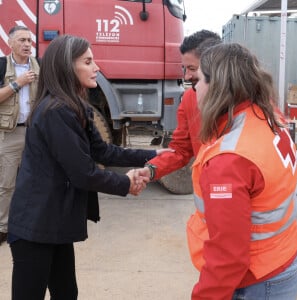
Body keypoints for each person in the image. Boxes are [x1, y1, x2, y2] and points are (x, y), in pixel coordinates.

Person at [7, 34, 170, 300]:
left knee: (67, 292)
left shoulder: (76, 107)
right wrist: (126, 183)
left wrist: (153, 155)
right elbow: (83, 173)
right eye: (88, 61)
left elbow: (103, 151)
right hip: (35, 225)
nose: (96, 67)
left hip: (55, 221)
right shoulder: (55, 111)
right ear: (66, 67)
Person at [190, 42, 297, 299]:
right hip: (284, 256)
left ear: (215, 85)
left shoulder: (229, 161)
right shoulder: (269, 116)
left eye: (199, 79)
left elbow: (228, 257)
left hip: (259, 279)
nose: (194, 86)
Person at [139, 30, 221, 182]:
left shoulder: (248, 103)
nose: (186, 76)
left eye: (192, 69)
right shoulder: (189, 98)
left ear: (215, 65)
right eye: (185, 68)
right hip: (206, 191)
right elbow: (180, 149)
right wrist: (150, 170)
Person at [0, 25, 40, 246]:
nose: (27, 44)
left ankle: (29, 223)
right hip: (10, 133)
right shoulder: (0, 66)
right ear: (10, 42)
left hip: (35, 134)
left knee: (34, 180)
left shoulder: (40, 66)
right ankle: (3, 227)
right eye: (22, 40)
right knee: (6, 183)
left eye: (29, 40)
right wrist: (18, 83)